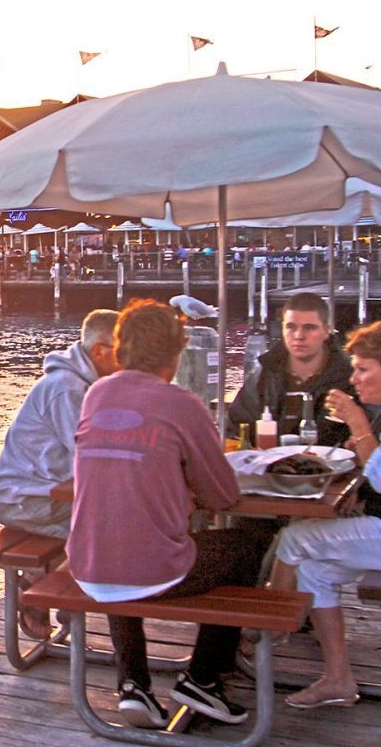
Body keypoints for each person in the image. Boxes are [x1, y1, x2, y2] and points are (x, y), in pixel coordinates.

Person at [68, 299, 270, 728]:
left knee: (119, 535)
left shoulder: (95, 394)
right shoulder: (183, 404)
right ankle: (203, 676)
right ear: (176, 354)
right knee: (244, 545)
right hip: (151, 569)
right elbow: (222, 497)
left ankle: (133, 683)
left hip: (86, 563)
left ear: (122, 347)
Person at [275, 320, 381, 709]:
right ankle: (338, 679)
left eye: (363, 369)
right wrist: (366, 440)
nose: (354, 379)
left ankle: (262, 632)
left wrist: (357, 420)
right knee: (315, 569)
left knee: (296, 536)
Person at [0, 309, 119, 638]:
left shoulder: (90, 383)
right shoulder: (69, 390)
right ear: (99, 352)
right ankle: (42, 591)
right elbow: (91, 457)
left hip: (50, 492)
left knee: (117, 520)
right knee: (116, 527)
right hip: (28, 500)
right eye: (125, 351)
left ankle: (48, 586)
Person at [228, 292, 354, 446]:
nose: (299, 336)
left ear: (326, 330)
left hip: (336, 466)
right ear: (282, 328)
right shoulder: (264, 373)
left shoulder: (350, 376)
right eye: (291, 327)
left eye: (309, 328)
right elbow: (236, 427)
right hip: (269, 465)